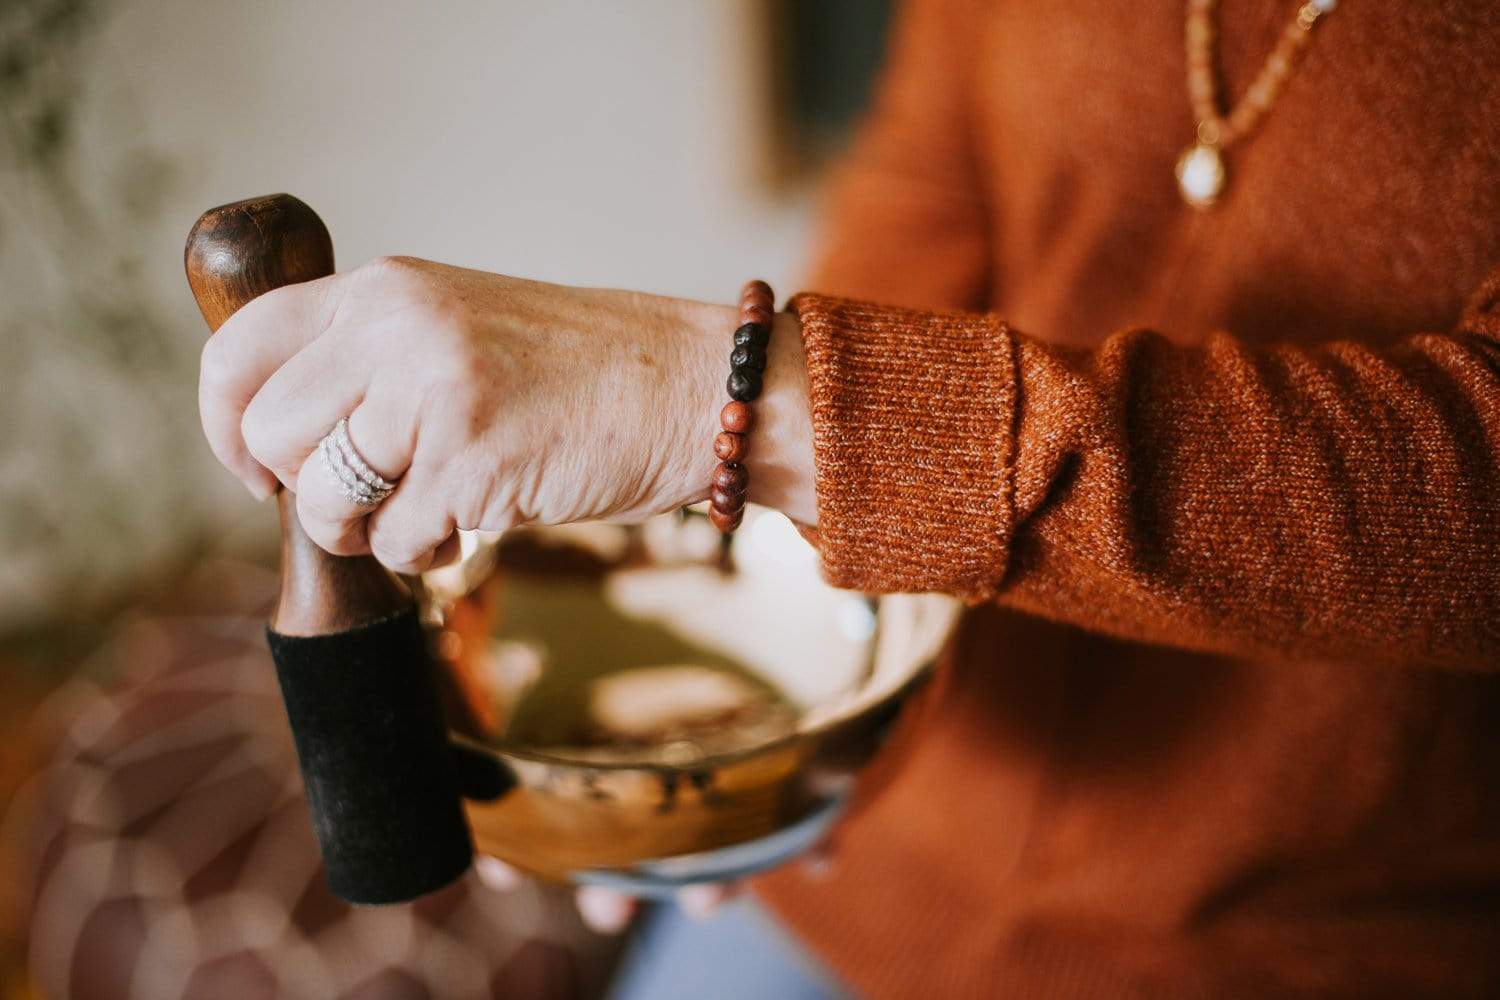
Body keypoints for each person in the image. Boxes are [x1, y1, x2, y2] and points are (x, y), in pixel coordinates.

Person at [197, 0, 1500, 996]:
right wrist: (767, 732)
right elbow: (923, 202)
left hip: (1295, 937)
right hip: (883, 818)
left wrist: (703, 394)